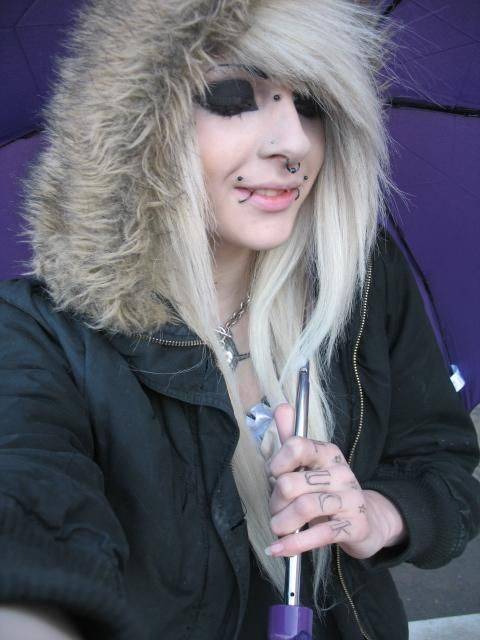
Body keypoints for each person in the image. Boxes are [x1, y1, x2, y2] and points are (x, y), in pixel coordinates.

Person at [0, 1, 478, 639]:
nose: (294, 144)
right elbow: (28, 507)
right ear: (133, 128)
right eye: (231, 97)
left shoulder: (359, 283)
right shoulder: (39, 335)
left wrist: (372, 515)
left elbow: (442, 466)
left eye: (311, 103)